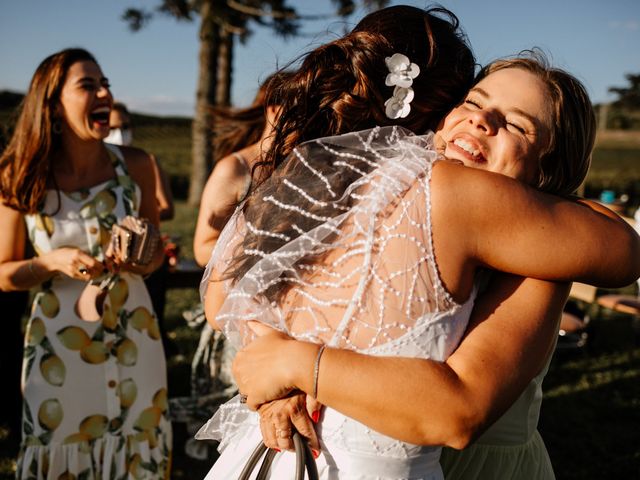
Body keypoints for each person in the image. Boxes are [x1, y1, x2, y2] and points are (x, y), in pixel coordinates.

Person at [197, 6, 640, 480]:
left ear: (549, 171)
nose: (483, 120)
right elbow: (240, 306)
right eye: (472, 102)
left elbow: (624, 252)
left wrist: (290, 364)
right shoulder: (379, 199)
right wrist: (277, 383)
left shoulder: (541, 252)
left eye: (516, 124)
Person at [0, 48, 172, 479]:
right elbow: (4, 273)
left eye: (106, 83)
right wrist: (50, 263)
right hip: (58, 346)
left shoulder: (137, 166)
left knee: (138, 445)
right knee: (62, 447)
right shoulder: (19, 175)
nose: (104, 92)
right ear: (53, 103)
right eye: (88, 84)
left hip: (135, 336)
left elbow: (152, 258)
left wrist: (141, 256)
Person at [106, 101, 175, 351]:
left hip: (142, 243)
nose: (120, 132)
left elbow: (167, 207)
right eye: (113, 126)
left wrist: (137, 219)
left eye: (125, 126)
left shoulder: (146, 161)